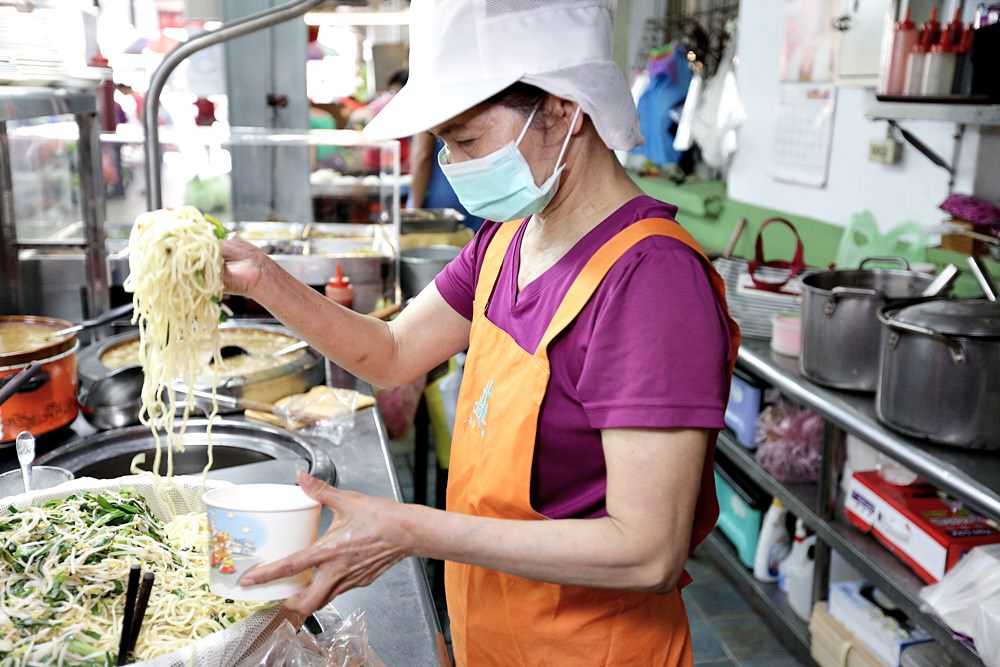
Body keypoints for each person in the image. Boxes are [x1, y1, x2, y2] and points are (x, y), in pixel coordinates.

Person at [225, 1, 739, 665]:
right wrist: (263, 279)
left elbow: (648, 551)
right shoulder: (507, 240)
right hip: (494, 637)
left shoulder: (651, 281)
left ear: (563, 108)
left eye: (467, 141)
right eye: (444, 143)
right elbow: (391, 353)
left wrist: (411, 528)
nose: (453, 163)